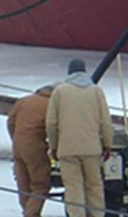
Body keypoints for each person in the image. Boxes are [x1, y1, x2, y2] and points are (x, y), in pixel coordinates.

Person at [47, 59, 113, 217]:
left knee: (73, 188)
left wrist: (54, 146)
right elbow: (105, 121)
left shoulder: (60, 92)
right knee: (94, 186)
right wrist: (107, 144)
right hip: (91, 149)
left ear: (69, 72)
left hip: (67, 149)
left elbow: (51, 123)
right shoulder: (96, 91)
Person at [7, 84, 55, 216]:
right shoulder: (51, 104)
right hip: (36, 147)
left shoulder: (23, 101)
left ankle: (26, 210)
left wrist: (16, 139)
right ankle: (31, 214)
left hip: (18, 147)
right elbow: (53, 128)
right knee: (40, 185)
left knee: (24, 184)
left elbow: (10, 122)